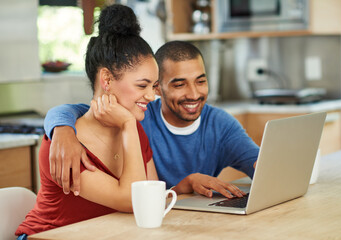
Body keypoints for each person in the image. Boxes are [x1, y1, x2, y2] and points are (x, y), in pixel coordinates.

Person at [44, 41, 259, 199]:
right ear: (158, 87)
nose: (194, 94)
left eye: (200, 81)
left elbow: (261, 165)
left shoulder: (220, 124)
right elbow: (83, 109)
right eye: (179, 84)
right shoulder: (139, 117)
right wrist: (61, 128)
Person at [15, 4, 159, 238]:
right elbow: (132, 201)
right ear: (106, 79)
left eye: (154, 86)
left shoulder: (133, 129)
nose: (152, 96)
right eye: (142, 85)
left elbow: (151, 201)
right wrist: (128, 126)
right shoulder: (62, 145)